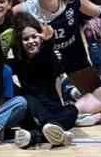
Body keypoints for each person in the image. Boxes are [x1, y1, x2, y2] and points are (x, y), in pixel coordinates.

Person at [14, 0, 101, 95]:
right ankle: (66, 87)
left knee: (98, 95)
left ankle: (71, 86)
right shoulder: (27, 8)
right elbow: (5, 16)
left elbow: (99, 10)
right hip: (47, 62)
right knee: (50, 101)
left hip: (74, 56)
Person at [10, 13, 78, 149]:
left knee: (72, 110)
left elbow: (47, 60)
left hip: (52, 107)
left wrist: (48, 42)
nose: (31, 41)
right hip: (33, 110)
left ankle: (34, 137)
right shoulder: (18, 61)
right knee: (26, 98)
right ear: (20, 42)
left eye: (34, 36)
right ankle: (56, 132)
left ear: (40, 37)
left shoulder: (48, 54)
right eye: (26, 39)